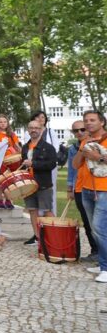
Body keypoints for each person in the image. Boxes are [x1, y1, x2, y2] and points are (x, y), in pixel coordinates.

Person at [73, 110, 107, 282]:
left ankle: (106, 268)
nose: (88, 123)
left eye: (92, 120)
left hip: (104, 189)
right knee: (95, 229)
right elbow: (75, 164)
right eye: (86, 120)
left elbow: (99, 159)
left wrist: (97, 157)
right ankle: (103, 264)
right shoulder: (85, 140)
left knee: (99, 228)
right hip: (86, 189)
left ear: (102, 122)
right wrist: (83, 148)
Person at [21, 120, 58, 246]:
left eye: (36, 128)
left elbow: (51, 165)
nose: (33, 130)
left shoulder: (48, 147)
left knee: (47, 210)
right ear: (28, 130)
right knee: (32, 210)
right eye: (31, 128)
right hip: (28, 185)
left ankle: (54, 236)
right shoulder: (25, 147)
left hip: (43, 184)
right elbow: (23, 164)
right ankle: (37, 238)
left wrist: (34, 164)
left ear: (42, 129)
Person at [67, 119, 98, 262]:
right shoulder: (73, 148)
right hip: (79, 189)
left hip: (96, 188)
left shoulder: (96, 144)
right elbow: (72, 170)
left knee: (98, 223)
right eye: (76, 131)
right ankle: (95, 251)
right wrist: (69, 188)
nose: (79, 132)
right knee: (87, 222)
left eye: (82, 129)